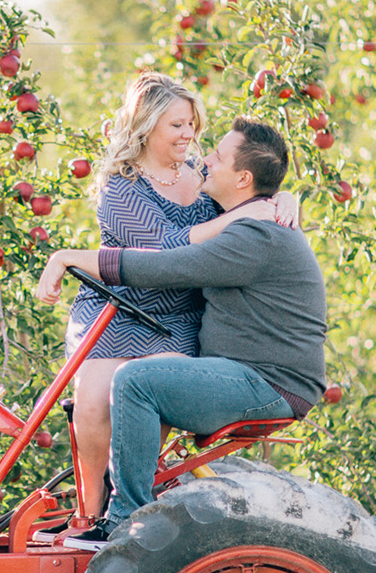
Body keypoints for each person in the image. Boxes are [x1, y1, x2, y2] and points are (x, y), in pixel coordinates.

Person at [37, 117, 327, 549]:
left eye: (218, 156)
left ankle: (123, 523)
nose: (205, 159)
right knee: (131, 382)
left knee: (136, 382)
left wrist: (67, 258)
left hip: (268, 382)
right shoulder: (244, 221)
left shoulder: (256, 237)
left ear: (243, 178)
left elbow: (162, 266)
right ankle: (99, 510)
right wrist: (283, 193)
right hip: (246, 373)